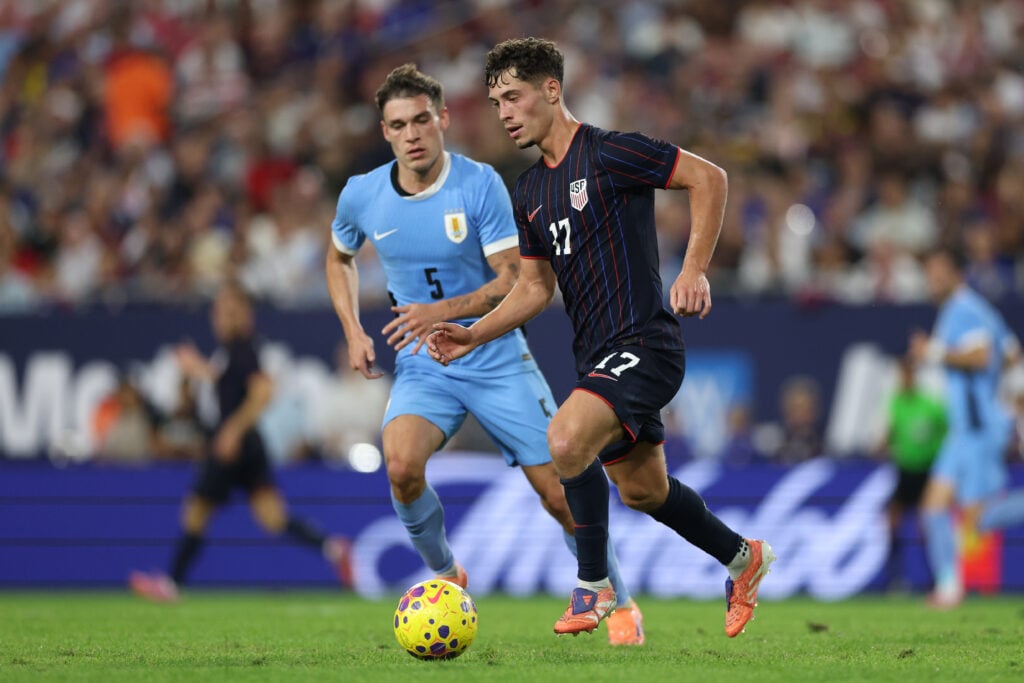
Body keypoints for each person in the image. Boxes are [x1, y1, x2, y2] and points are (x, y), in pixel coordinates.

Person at [428, 38, 773, 638]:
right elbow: (535, 289)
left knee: (563, 438)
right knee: (644, 492)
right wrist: (472, 335)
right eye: (496, 102)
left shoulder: (612, 153)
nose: (504, 112)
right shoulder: (530, 191)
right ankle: (744, 559)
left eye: (514, 96)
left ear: (552, 90)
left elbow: (709, 179)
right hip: (597, 355)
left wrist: (693, 269)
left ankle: (594, 587)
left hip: (646, 342)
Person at [325, 64, 645, 645]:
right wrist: (352, 328)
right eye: (399, 125)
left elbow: (511, 280)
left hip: (495, 354)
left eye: (422, 119)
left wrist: (442, 312)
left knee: (558, 494)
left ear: (443, 119)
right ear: (385, 132)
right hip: (425, 360)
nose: (413, 133)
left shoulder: (479, 185)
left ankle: (620, 602)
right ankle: (447, 577)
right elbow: (338, 257)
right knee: (399, 465)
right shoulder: (361, 195)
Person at [129, 282, 351, 602]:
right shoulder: (235, 352)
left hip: (234, 444)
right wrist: (200, 370)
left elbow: (263, 393)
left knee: (195, 512)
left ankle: (171, 583)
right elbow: (231, 384)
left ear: (244, 316)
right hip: (250, 444)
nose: (220, 318)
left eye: (228, 312)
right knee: (273, 518)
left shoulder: (243, 349)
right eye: (218, 311)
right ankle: (333, 549)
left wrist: (231, 431)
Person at [909, 247, 1024, 608]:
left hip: (976, 429)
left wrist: (933, 353)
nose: (932, 279)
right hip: (968, 428)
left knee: (978, 519)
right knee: (932, 508)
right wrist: (1003, 399)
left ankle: (949, 585)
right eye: (929, 273)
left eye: (939, 272)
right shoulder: (977, 310)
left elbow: (982, 357)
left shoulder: (963, 308)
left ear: (957, 274)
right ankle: (949, 587)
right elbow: (1010, 353)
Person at [878, 356, 947, 590]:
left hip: (926, 471)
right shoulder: (896, 402)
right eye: (902, 374)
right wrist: (881, 445)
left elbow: (946, 431)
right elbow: (892, 432)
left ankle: (935, 578)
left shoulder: (930, 405)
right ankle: (895, 578)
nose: (905, 378)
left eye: (909, 373)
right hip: (904, 470)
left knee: (925, 527)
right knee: (892, 522)